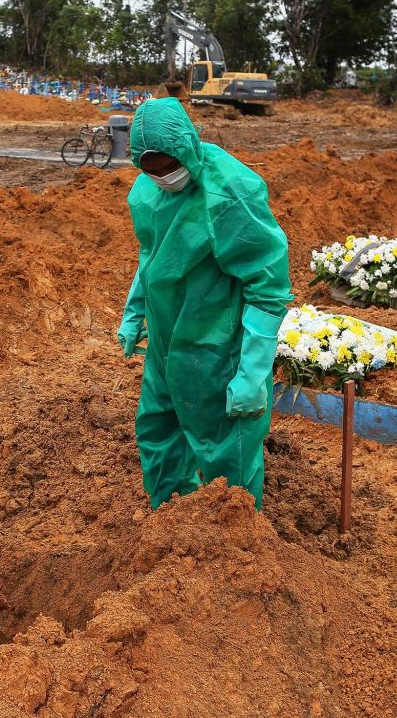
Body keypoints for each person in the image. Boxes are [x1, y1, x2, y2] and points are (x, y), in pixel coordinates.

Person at [117, 98, 291, 511]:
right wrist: (135, 310)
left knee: (225, 448)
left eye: (167, 166)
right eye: (151, 169)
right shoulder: (146, 192)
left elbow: (267, 286)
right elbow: (151, 256)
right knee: (157, 429)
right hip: (164, 339)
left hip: (216, 345)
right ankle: (173, 519)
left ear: (186, 147)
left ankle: (235, 544)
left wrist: (252, 372)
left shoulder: (229, 193)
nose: (163, 176)